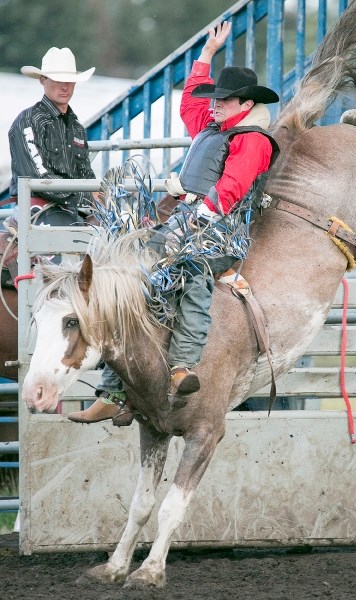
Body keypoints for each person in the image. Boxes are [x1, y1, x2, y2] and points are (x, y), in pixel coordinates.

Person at [68, 21, 279, 425]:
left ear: (246, 105)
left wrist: (195, 211)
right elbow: (190, 106)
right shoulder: (215, 128)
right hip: (191, 222)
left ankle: (180, 366)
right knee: (133, 280)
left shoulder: (251, 139)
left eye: (225, 99)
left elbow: (231, 187)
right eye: (216, 99)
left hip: (219, 233)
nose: (214, 105)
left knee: (193, 274)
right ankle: (118, 388)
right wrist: (206, 56)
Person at [8, 47, 96, 226]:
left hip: (72, 207)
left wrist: (100, 195)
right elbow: (38, 177)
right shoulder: (28, 121)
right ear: (43, 80)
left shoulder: (76, 127)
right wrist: (86, 196)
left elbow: (86, 173)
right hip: (38, 207)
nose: (65, 87)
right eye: (57, 80)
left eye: (70, 81)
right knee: (69, 243)